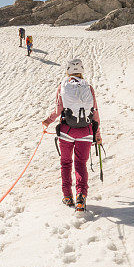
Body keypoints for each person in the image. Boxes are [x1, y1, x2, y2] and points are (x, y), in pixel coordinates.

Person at [41, 59, 102, 212]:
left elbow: (58, 110)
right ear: (81, 71)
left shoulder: (62, 87)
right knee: (81, 164)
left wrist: (47, 121)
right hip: (86, 132)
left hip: (67, 131)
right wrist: (98, 135)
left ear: (68, 71)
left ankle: (67, 196)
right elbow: (95, 113)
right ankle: (81, 196)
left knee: (66, 163)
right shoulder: (89, 88)